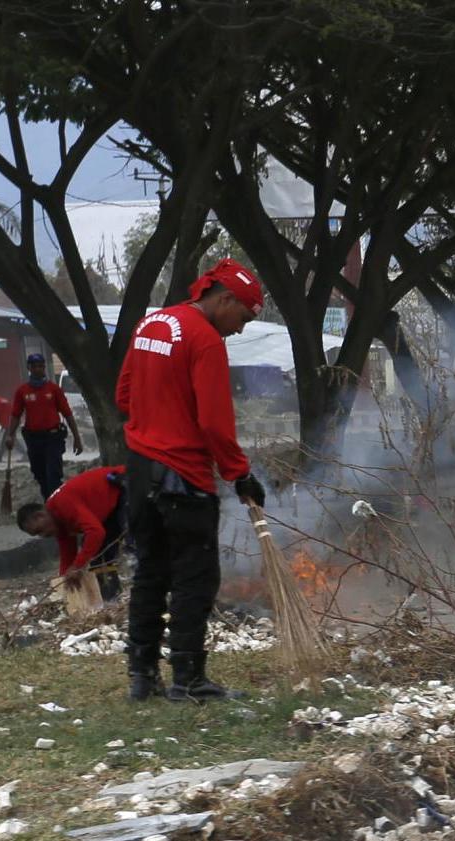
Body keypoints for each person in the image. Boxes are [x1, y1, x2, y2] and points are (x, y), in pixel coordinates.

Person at [115, 258, 267, 702]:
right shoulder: (204, 340)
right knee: (193, 579)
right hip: (184, 477)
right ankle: (188, 679)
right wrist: (240, 474)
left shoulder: (151, 324)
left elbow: (123, 395)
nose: (239, 329)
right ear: (224, 299)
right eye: (243, 317)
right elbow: (215, 423)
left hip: (141, 470)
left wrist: (155, 419)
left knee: (150, 573)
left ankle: (142, 678)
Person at [16, 462, 127, 602]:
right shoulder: (57, 522)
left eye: (40, 530)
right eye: (37, 535)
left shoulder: (63, 504)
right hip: (110, 506)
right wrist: (63, 583)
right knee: (100, 555)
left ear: (40, 515)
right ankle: (112, 600)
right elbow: (68, 554)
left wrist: (77, 566)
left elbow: (96, 532)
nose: (43, 536)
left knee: (135, 539)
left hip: (123, 485)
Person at [4, 352, 79, 500]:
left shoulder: (53, 389)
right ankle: (48, 501)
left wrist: (77, 437)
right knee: (39, 473)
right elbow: (15, 415)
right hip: (33, 439)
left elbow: (67, 413)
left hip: (53, 438)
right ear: (29, 368)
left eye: (41, 366)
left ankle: (55, 505)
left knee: (53, 475)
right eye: (35, 366)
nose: (39, 369)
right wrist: (10, 435)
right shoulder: (22, 391)